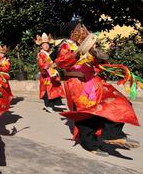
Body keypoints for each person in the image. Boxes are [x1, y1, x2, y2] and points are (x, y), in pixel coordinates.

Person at [54, 21, 140, 156]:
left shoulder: (87, 45)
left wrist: (94, 50)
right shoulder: (66, 45)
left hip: (95, 81)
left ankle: (112, 134)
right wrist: (78, 52)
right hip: (78, 83)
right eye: (79, 28)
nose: (82, 30)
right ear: (72, 32)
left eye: (82, 27)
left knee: (119, 101)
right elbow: (61, 63)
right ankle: (90, 144)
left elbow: (101, 62)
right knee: (87, 115)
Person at [35, 33, 66, 113]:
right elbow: (41, 64)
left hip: (52, 73)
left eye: (47, 45)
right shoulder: (41, 54)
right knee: (47, 90)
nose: (46, 46)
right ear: (41, 46)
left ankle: (58, 102)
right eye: (44, 45)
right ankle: (48, 105)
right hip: (45, 75)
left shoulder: (50, 53)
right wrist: (49, 65)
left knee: (56, 86)